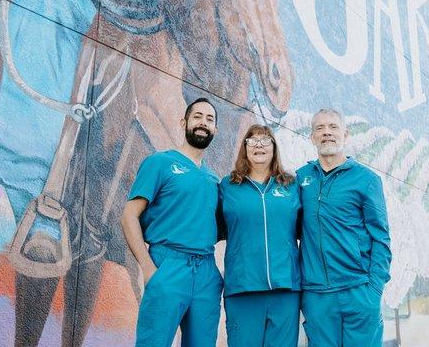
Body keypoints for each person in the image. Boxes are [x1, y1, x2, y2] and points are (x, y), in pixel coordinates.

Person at [121, 98, 223, 347]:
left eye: (210, 119)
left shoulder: (213, 179)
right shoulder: (160, 163)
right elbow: (128, 216)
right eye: (197, 116)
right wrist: (148, 268)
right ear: (184, 122)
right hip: (168, 266)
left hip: (206, 273)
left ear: (215, 130)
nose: (203, 123)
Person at [297, 108, 392, 347]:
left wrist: (374, 291)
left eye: (333, 127)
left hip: (358, 292)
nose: (326, 132)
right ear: (312, 137)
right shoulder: (300, 178)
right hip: (317, 296)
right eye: (320, 128)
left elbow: (381, 239)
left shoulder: (367, 180)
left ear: (345, 134)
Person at [218, 124, 302, 347]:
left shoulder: (291, 186)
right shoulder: (227, 186)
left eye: (265, 140)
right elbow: (215, 228)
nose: (259, 145)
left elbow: (306, 230)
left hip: (285, 289)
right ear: (244, 148)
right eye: (252, 141)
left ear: (274, 148)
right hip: (242, 288)